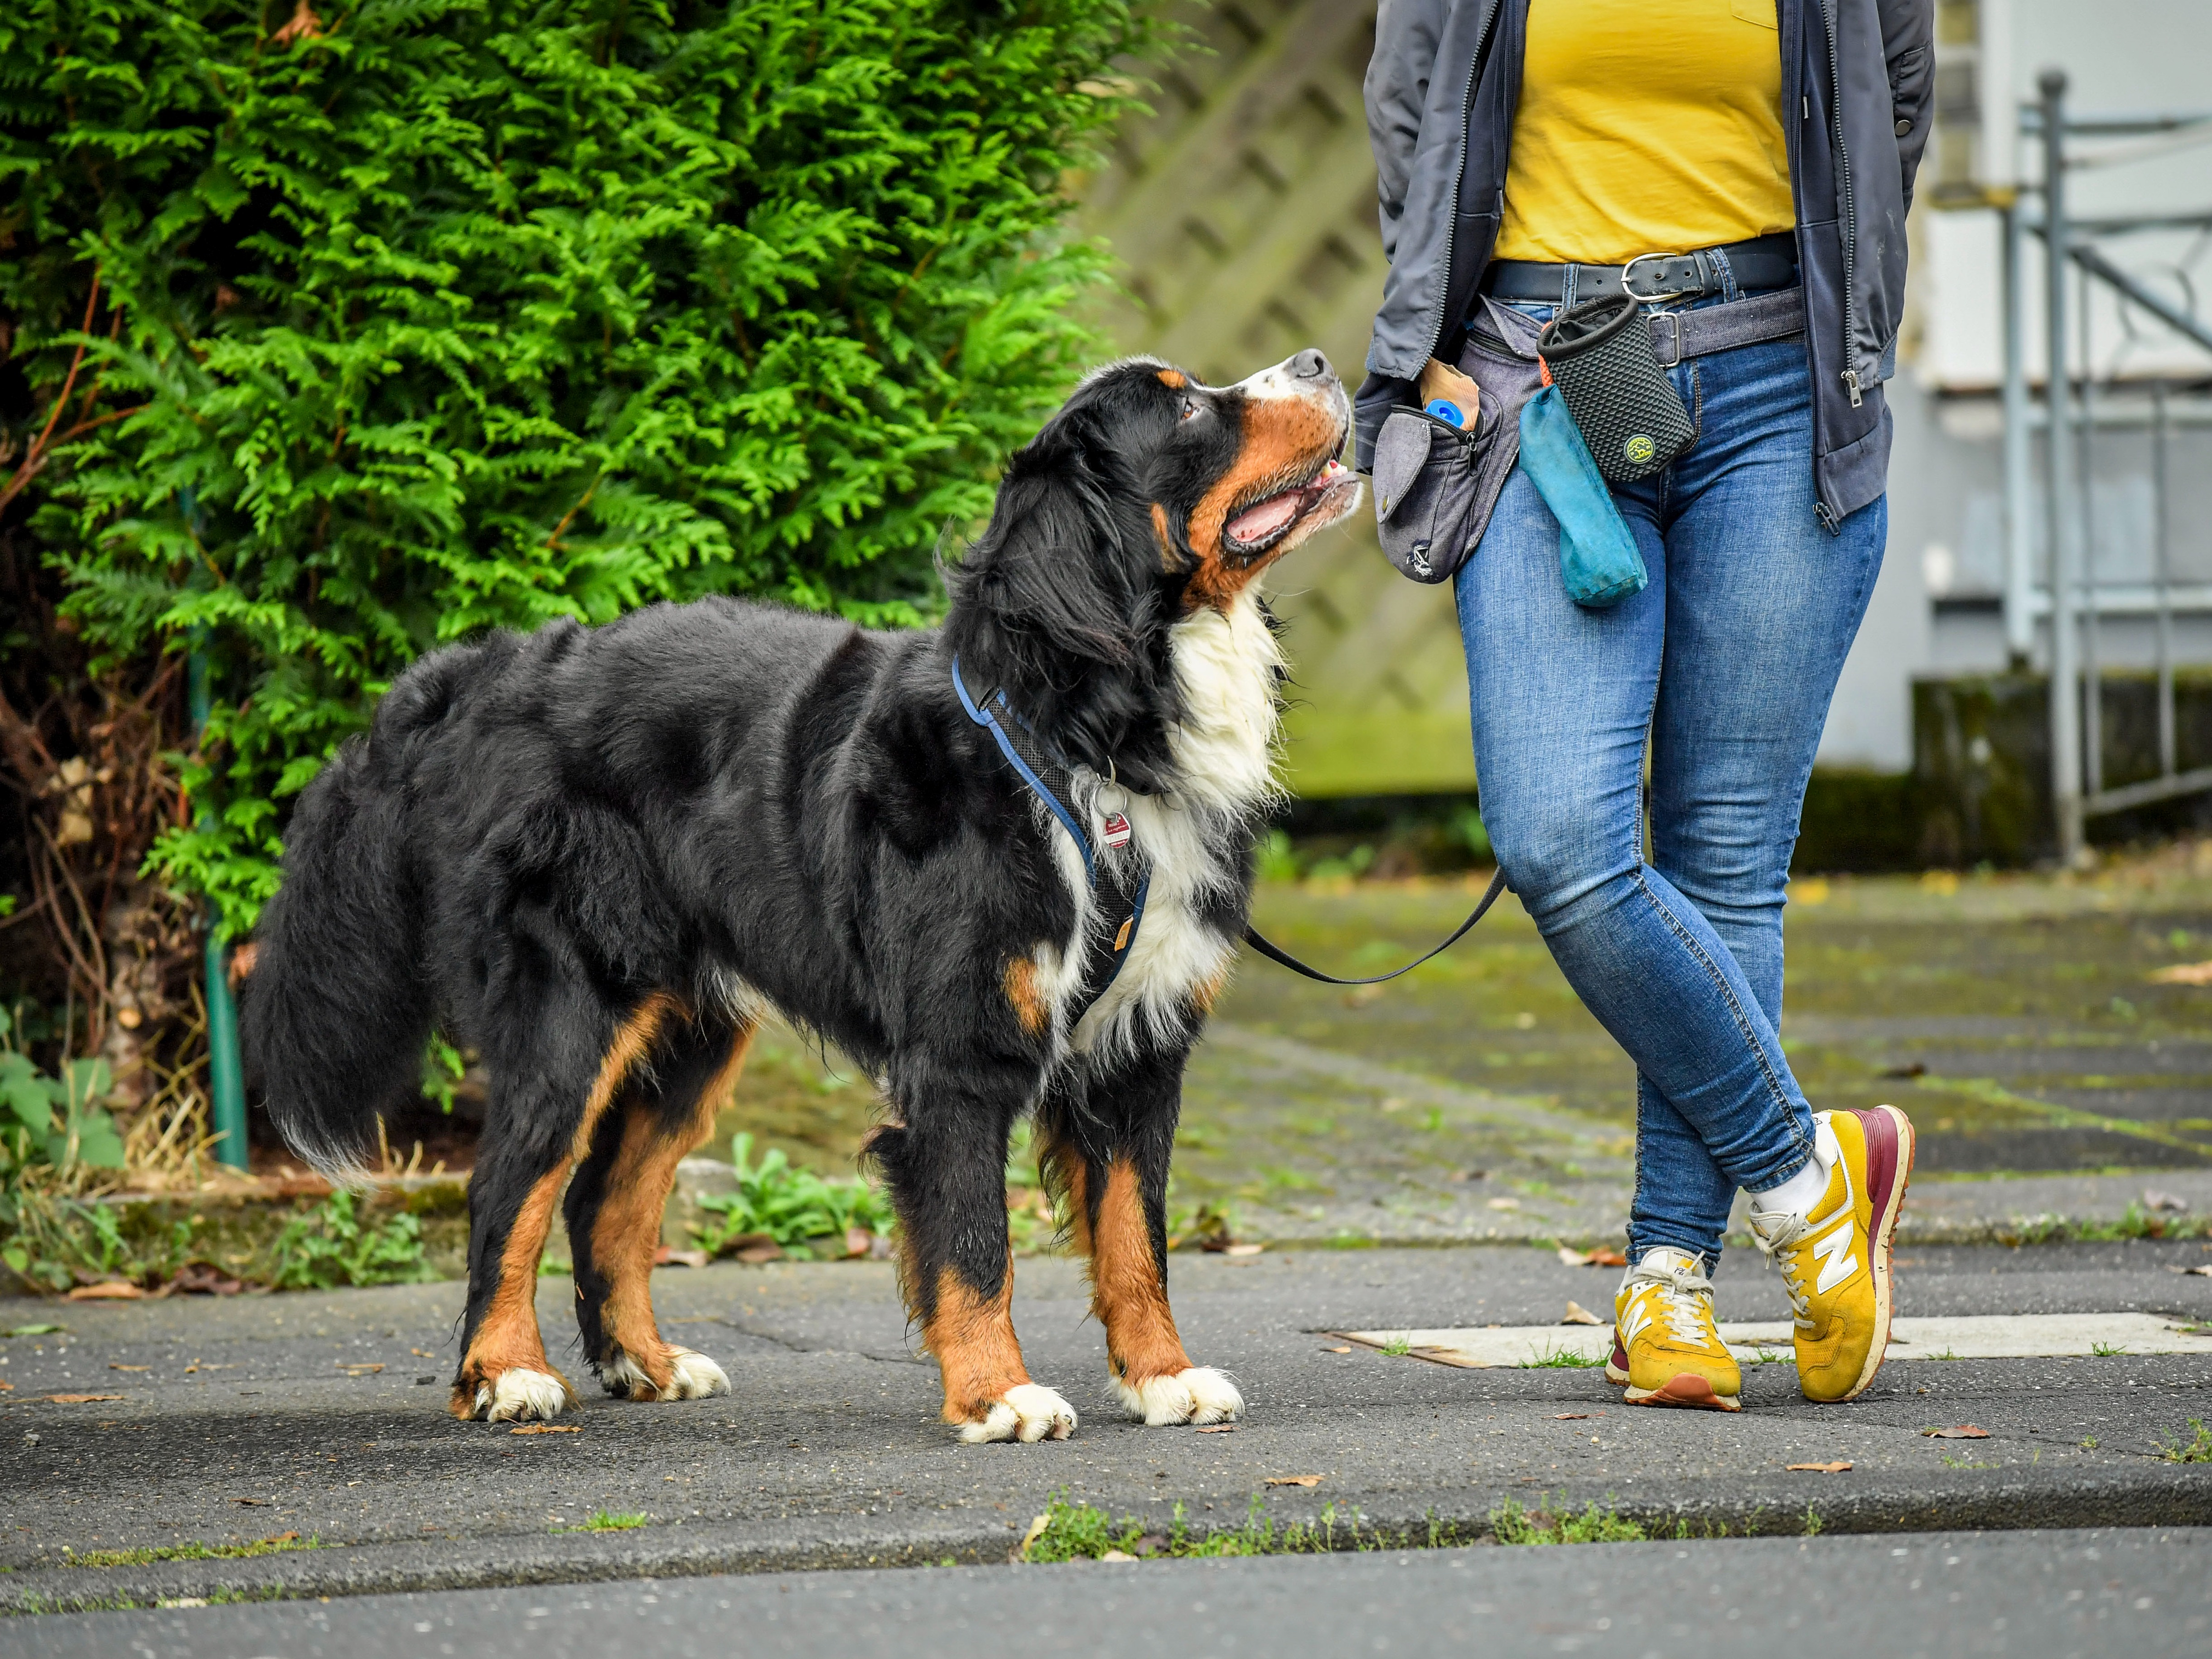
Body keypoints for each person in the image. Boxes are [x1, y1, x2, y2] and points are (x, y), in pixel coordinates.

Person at [1358, 0, 1932, 1410]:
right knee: (1558, 834)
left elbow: (1891, 106)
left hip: (1777, 384)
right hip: (1538, 377)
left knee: (1726, 851)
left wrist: (1852, 324)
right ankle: (1811, 1183)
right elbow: (1409, 108)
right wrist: (1423, 334)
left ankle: (1664, 1285)